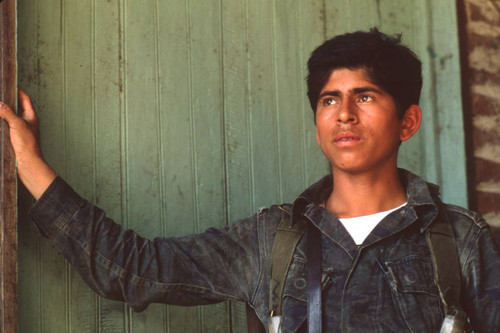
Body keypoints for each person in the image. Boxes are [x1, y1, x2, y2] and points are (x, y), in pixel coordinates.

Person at [1, 29, 499, 332]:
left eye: (365, 97)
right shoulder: (273, 241)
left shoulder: (461, 241)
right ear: (317, 123)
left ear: (407, 122)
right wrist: (30, 166)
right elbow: (133, 269)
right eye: (329, 100)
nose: (344, 114)